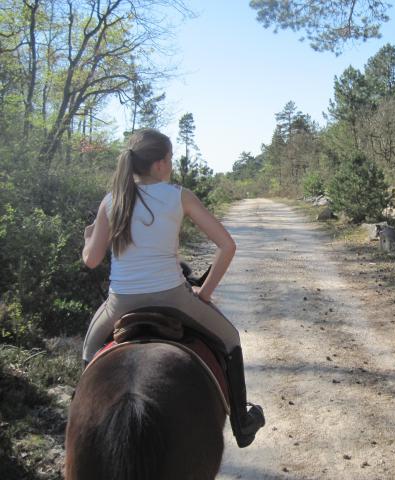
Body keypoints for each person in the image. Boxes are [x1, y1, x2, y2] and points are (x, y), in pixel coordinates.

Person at [81, 128, 265, 448]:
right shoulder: (179, 196)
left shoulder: (111, 201)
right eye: (170, 158)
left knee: (88, 353)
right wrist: (204, 294)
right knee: (231, 339)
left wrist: (88, 240)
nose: (171, 164)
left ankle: (79, 426)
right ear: (160, 164)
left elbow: (92, 260)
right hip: (173, 298)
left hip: (120, 304)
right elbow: (227, 246)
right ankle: (241, 422)